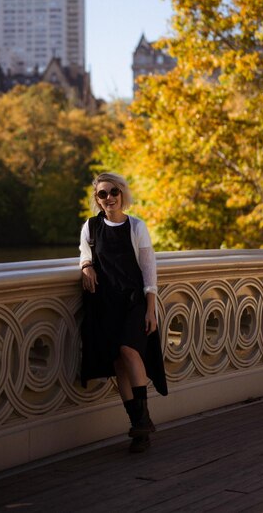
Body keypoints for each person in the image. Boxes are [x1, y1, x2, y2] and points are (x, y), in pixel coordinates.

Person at [79, 172, 168, 453]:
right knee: (118, 363)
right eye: (102, 194)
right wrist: (86, 266)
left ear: (122, 194)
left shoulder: (136, 227)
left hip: (133, 302)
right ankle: (139, 428)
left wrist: (151, 309)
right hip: (105, 304)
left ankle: (144, 418)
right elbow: (84, 252)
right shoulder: (90, 227)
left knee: (130, 350)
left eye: (114, 192)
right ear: (97, 198)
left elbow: (149, 270)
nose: (109, 198)